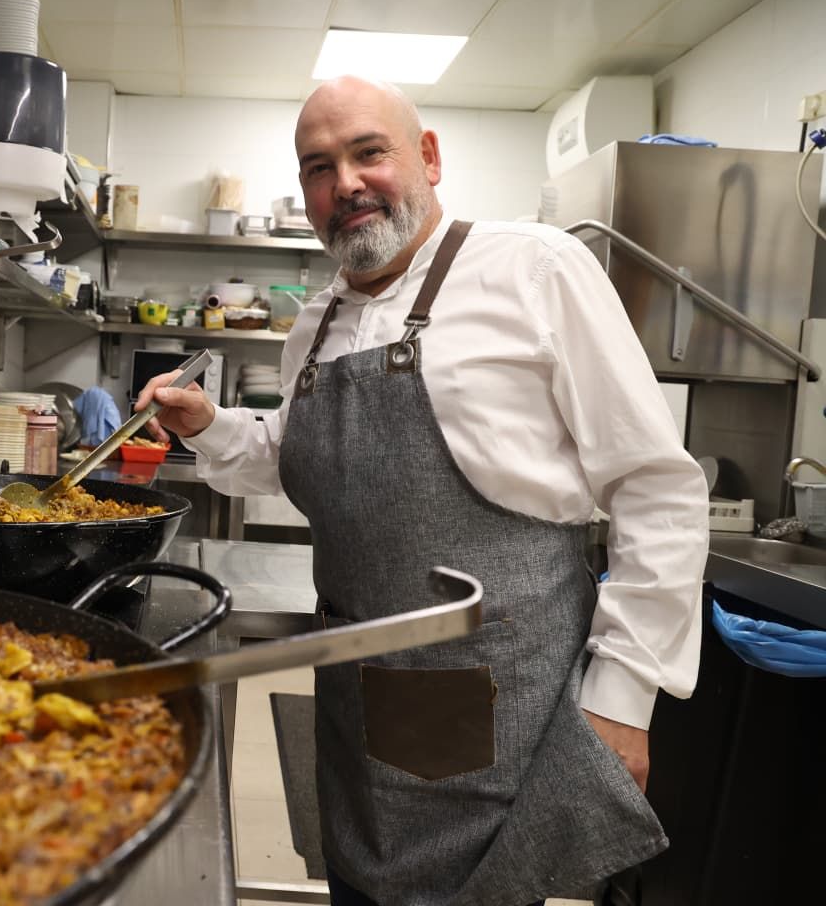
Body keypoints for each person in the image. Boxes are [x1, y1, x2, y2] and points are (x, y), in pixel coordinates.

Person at [136, 77, 709, 906]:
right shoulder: (318, 321)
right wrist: (204, 424)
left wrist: (623, 701)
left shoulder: (535, 269)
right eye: (320, 168)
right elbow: (289, 457)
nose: (347, 184)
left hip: (503, 705)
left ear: (428, 157)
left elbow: (656, 491)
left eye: (369, 152)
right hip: (357, 710)